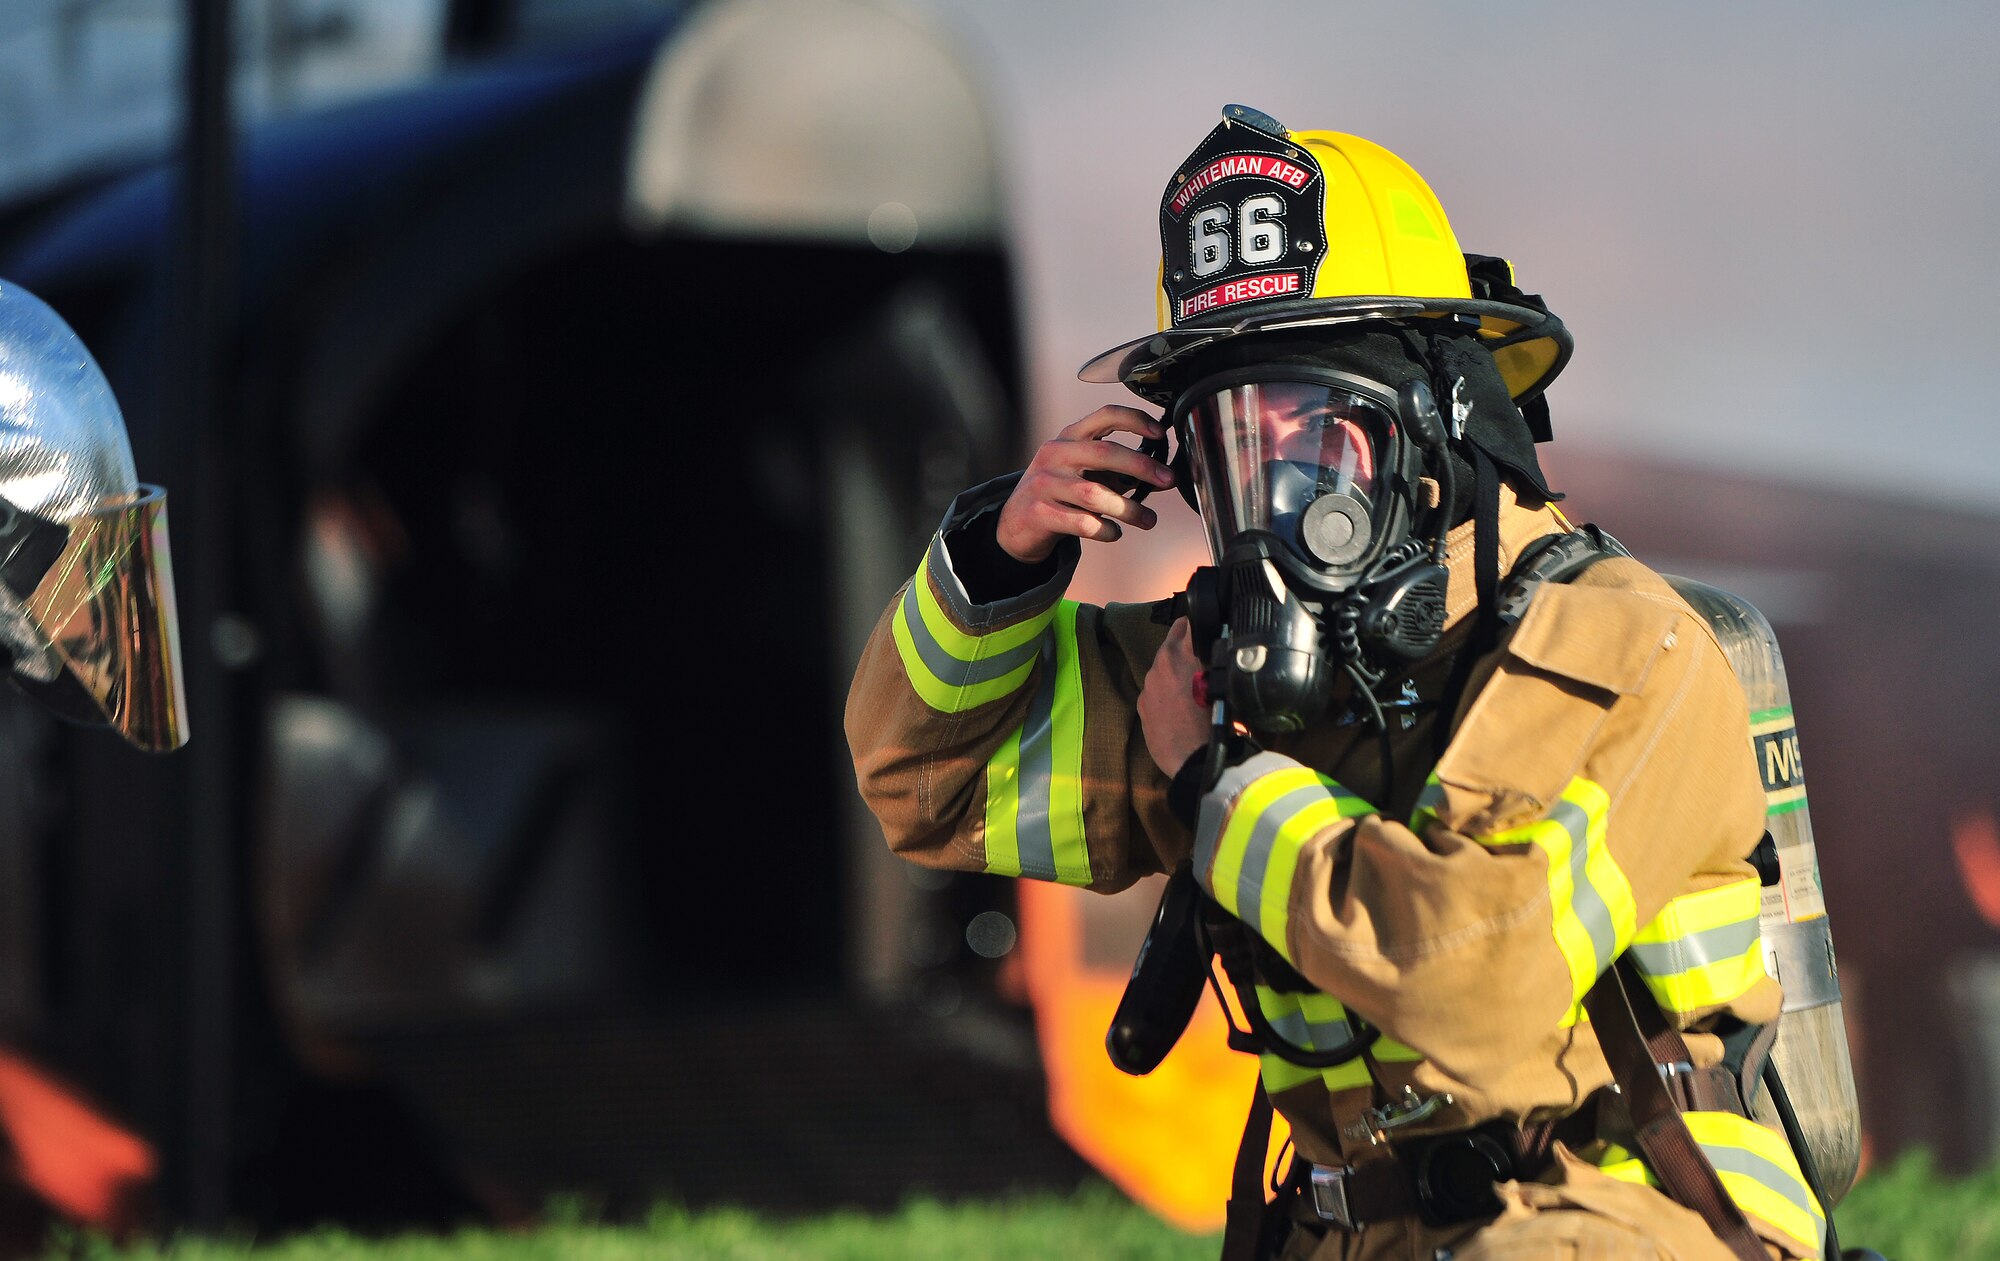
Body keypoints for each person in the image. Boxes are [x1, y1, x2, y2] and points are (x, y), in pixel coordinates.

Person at [846, 107, 1827, 1261]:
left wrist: (1219, 783)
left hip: (1625, 1216)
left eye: (1311, 429)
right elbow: (928, 782)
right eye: (1229, 442)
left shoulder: (1618, 647)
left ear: (1430, 422)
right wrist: (998, 560)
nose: (1275, 488)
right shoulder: (1219, 675)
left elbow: (1474, 986)